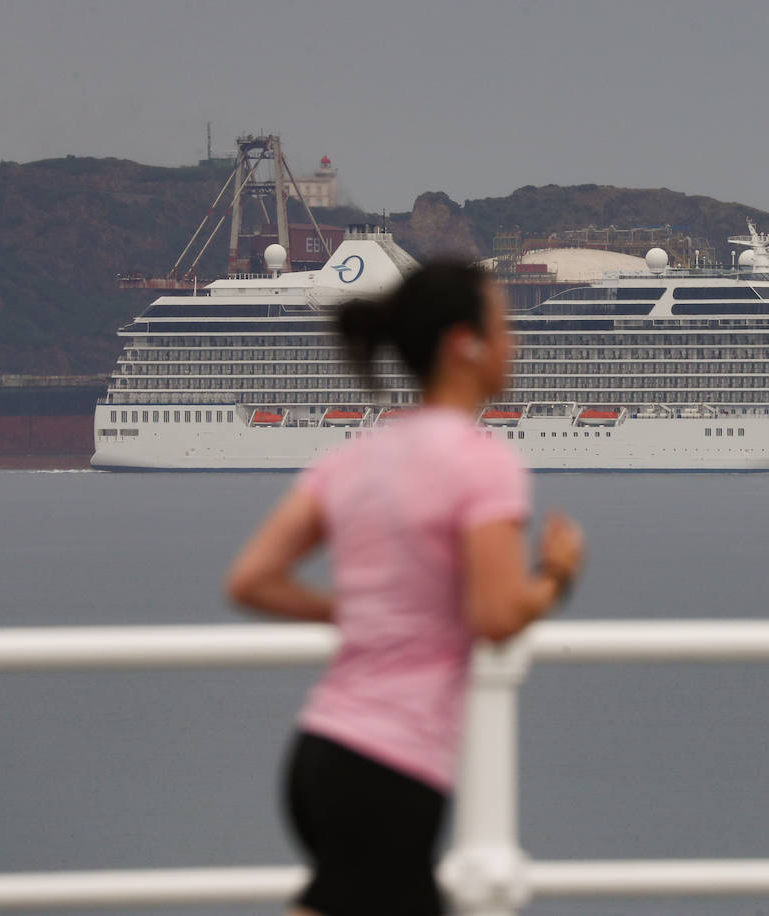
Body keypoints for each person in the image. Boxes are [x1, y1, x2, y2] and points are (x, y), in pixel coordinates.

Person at [224, 262, 584, 916]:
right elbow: (497, 615)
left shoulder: (354, 456)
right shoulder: (482, 462)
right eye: (504, 327)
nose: (517, 344)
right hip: (394, 761)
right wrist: (557, 573)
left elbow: (252, 581)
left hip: (320, 752)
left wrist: (361, 612)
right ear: (462, 344)